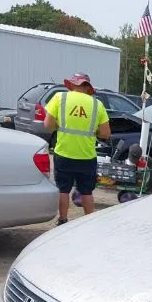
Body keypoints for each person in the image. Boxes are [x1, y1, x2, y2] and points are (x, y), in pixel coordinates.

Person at [43, 73, 111, 225]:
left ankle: (63, 220)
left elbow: (47, 125)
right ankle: (88, 222)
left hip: (63, 153)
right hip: (86, 156)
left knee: (64, 190)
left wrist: (59, 125)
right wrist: (94, 132)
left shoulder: (60, 98)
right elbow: (106, 134)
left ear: (72, 85)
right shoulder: (97, 104)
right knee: (87, 191)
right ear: (87, 88)